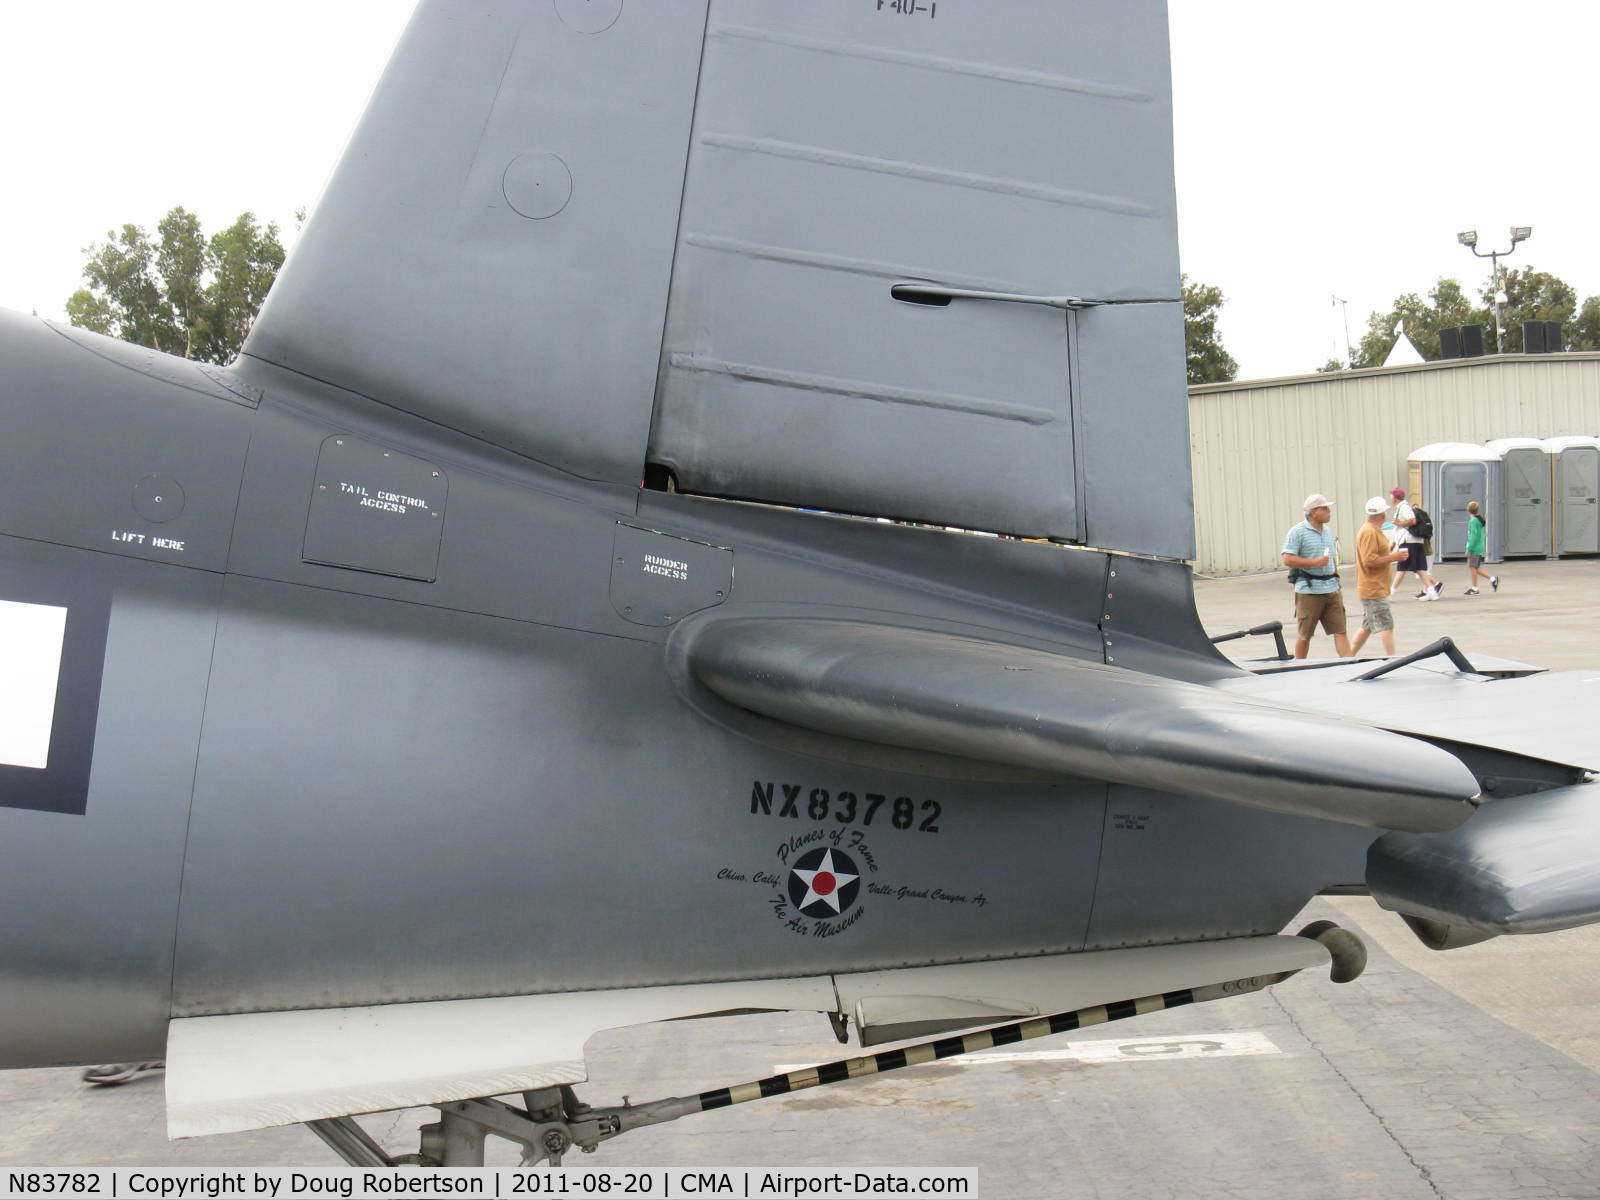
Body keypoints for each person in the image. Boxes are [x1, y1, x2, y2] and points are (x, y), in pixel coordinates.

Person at [1281, 493, 1351, 659]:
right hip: (1309, 591)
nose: (1329, 511)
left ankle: (1349, 663)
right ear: (1313, 512)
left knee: (1340, 631)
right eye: (1325, 508)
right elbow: (1287, 559)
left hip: (1332, 589)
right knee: (1305, 634)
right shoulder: (1297, 532)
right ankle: (1299, 667)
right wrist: (1313, 562)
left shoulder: (1327, 531)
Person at [1350, 495, 1409, 656]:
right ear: (1382, 514)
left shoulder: (1373, 530)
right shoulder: (1369, 532)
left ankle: (1347, 656)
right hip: (1373, 588)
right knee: (1386, 625)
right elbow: (1369, 560)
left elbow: (1374, 555)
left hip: (1373, 587)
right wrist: (1394, 557)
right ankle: (1392, 659)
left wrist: (1390, 549)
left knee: (1367, 626)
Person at [1389, 486, 1442, 600]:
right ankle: (1432, 592)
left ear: (1395, 498)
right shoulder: (1402, 507)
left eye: (1391, 496)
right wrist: (1393, 542)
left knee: (1401, 568)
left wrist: (1399, 523)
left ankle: (1390, 593)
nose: (1390, 498)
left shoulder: (1403, 507)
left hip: (1408, 541)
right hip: (1415, 541)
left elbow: (1412, 520)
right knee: (1419, 568)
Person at [1464, 500, 1500, 595]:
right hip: (1479, 546)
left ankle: (1475, 588)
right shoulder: (1479, 520)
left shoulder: (1473, 521)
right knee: (1475, 568)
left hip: (1474, 548)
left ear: (1468, 510)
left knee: (1472, 567)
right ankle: (1492, 579)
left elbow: (1473, 536)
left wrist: (1469, 549)